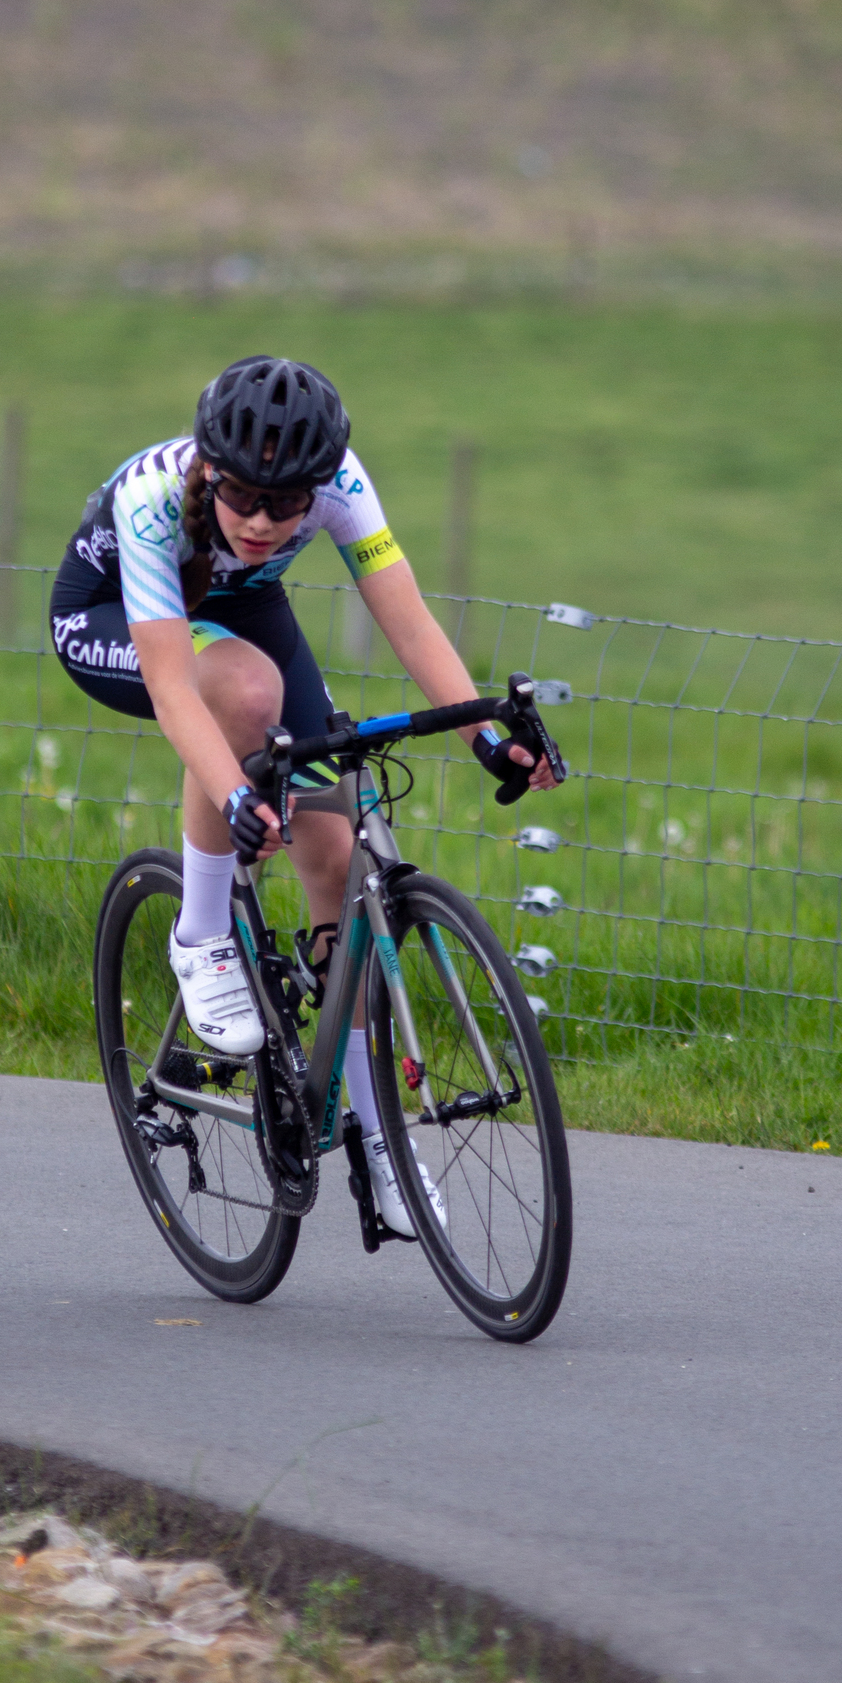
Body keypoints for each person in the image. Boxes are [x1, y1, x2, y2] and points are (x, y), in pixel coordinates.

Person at [51, 354, 562, 1236]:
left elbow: (408, 619)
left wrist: (485, 734)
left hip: (241, 611)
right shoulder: (153, 501)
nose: (260, 520)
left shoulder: (344, 484)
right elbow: (178, 691)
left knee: (335, 845)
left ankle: (382, 1147)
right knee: (243, 698)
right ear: (211, 470)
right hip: (116, 617)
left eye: (286, 505)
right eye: (243, 495)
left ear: (319, 486)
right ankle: (202, 931)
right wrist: (233, 795)